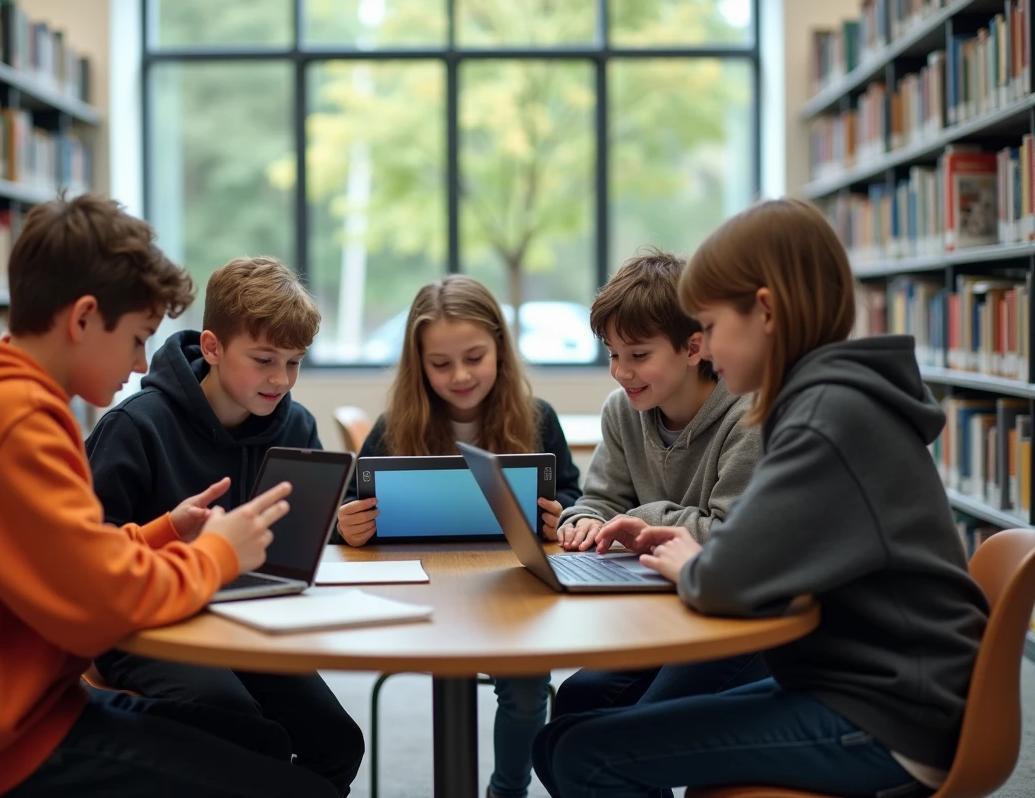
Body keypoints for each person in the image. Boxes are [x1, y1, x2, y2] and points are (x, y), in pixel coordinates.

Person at [0, 194, 339, 798]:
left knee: (263, 743)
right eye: (138, 337)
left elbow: (68, 558)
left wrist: (164, 530)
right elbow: (100, 604)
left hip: (1, 711)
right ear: (84, 318)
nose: (144, 361)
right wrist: (217, 554)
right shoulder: (12, 421)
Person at [532, 197, 989, 798]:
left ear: (765, 313)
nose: (709, 351)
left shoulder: (824, 415)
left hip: (893, 713)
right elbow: (757, 555)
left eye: (713, 327)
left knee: (583, 757)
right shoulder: (825, 399)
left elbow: (728, 577)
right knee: (566, 740)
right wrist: (694, 552)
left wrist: (695, 560)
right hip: (858, 681)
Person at [85, 255, 363, 796]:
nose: (280, 379)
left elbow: (306, 534)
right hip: (146, 626)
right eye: (263, 360)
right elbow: (91, 553)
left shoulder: (296, 424)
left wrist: (340, 528)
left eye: (294, 362)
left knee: (338, 742)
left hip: (253, 620)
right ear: (211, 348)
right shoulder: (136, 427)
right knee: (245, 731)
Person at [337, 274, 581, 798]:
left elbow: (575, 498)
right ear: (418, 363)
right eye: (441, 364)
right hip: (420, 596)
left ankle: (506, 791)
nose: (461, 375)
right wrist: (347, 524)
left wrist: (563, 516)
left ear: (500, 347)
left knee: (526, 678)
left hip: (508, 591)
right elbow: (349, 510)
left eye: (475, 356)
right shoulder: (395, 426)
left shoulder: (538, 419)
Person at [550, 249, 765, 724]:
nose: (621, 372)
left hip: (735, 619)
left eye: (638, 355)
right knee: (575, 702)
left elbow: (728, 538)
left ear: (693, 349)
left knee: (638, 722)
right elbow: (602, 498)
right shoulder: (622, 409)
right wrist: (584, 519)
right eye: (613, 355)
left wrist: (641, 519)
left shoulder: (748, 417)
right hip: (662, 611)